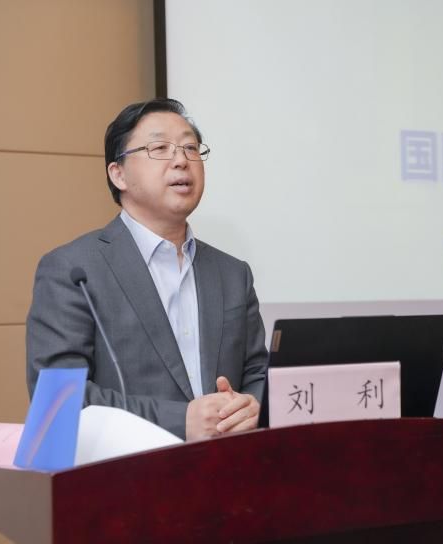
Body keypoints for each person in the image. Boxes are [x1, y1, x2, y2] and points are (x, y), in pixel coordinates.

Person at [26, 99, 268, 440]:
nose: (181, 160)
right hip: (128, 470)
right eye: (159, 148)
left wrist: (254, 407)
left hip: (228, 468)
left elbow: (258, 373)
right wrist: (179, 421)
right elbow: (57, 403)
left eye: (190, 148)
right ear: (118, 174)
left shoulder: (232, 274)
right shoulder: (73, 269)